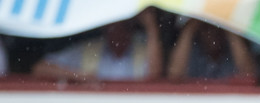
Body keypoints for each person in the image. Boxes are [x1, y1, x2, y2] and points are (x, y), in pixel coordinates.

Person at [32, 9, 163, 82]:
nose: (118, 29)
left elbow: (154, 75)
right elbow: (40, 69)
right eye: (113, 24)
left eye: (124, 24)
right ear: (106, 27)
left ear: (132, 27)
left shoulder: (142, 50)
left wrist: (151, 28)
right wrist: (78, 75)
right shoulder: (88, 50)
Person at [167, 17, 256, 81]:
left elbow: (249, 75)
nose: (213, 34)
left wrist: (228, 26)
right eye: (207, 28)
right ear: (199, 31)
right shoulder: (191, 51)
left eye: (218, 28)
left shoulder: (234, 53)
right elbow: (174, 76)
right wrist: (190, 29)